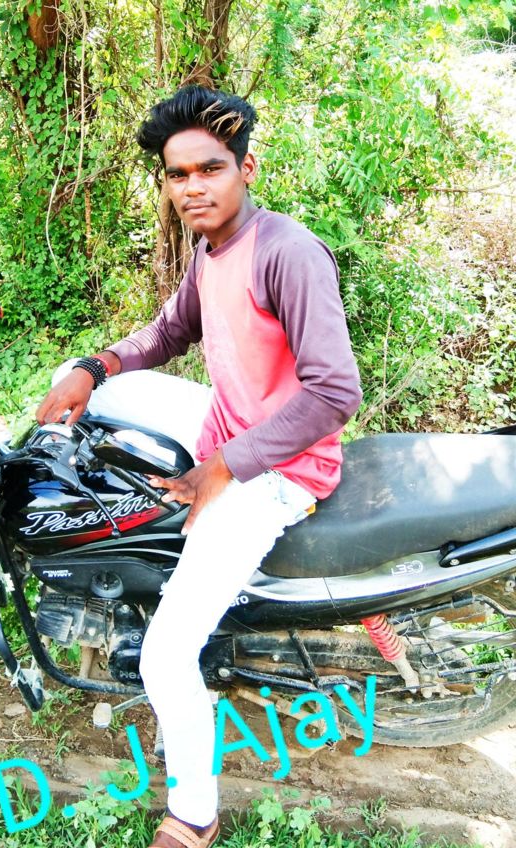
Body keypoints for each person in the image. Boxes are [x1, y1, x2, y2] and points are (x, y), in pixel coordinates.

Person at [36, 85, 362, 848]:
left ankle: (193, 814)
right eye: (177, 174)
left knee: (166, 653)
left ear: (247, 168)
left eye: (209, 169)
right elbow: (169, 331)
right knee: (87, 393)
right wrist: (92, 367)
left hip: (283, 467)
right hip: (225, 423)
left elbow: (335, 392)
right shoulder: (212, 248)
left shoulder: (286, 252)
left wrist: (222, 470)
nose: (192, 188)